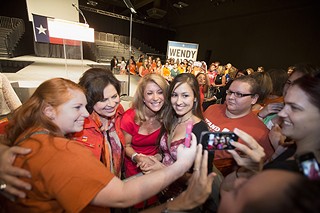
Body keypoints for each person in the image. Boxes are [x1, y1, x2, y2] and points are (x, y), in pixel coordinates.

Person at [0, 77, 198, 212]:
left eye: (114, 97)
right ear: (49, 111)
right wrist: (180, 167)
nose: (86, 114)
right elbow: (122, 195)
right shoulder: (63, 150)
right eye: (78, 107)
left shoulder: (30, 127)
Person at [140, 73, 221, 212]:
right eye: (174, 95)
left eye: (185, 95)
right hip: (161, 193)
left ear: (195, 97)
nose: (178, 101)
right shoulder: (170, 119)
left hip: (182, 202)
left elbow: (200, 181)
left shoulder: (202, 132)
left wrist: (164, 170)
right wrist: (155, 159)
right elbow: (166, 152)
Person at [203, 75, 274, 176]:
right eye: (230, 92)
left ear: (254, 99)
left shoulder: (260, 133)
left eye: (239, 94)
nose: (231, 97)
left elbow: (265, 167)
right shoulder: (212, 108)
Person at [120, 73, 169, 209]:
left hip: (156, 164)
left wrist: (156, 158)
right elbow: (126, 145)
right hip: (134, 165)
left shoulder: (167, 117)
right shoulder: (130, 117)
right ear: (142, 97)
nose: (156, 98)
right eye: (150, 93)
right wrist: (138, 158)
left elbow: (165, 146)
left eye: (160, 92)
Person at [72, 68, 125, 178]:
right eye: (103, 100)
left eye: (114, 96)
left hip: (117, 185)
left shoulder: (119, 112)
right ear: (90, 101)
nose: (111, 104)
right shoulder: (78, 125)